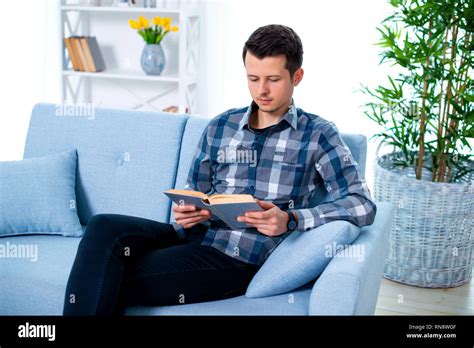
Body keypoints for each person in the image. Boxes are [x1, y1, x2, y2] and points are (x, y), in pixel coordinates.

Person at [63, 24, 376, 316]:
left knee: (108, 273)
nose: (261, 90)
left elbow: (362, 204)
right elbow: (193, 193)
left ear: (297, 77)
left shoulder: (318, 133)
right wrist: (188, 211)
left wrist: (291, 219)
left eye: (273, 79)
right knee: (103, 227)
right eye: (253, 78)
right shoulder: (221, 125)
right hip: (194, 236)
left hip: (238, 257)